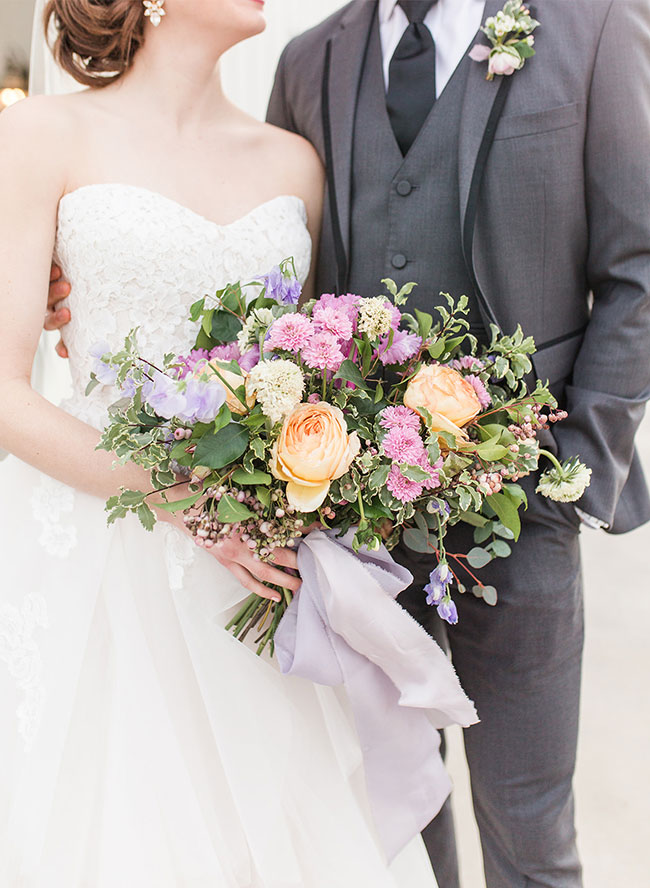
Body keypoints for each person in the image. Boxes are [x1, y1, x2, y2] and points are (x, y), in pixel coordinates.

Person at [0, 1, 444, 884]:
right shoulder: (42, 136)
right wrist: (186, 501)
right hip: (102, 544)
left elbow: (308, 370)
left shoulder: (295, 164)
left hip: (255, 573)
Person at [257, 1, 649, 886]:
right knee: (391, 822)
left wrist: (579, 465)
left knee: (531, 832)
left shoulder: (593, 27)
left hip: (525, 513)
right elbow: (271, 257)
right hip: (348, 523)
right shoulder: (309, 59)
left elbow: (639, 267)